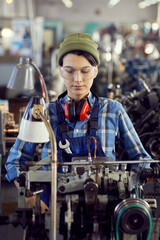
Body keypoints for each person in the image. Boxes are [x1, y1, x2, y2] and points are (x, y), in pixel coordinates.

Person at [5, 33, 151, 209]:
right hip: (52, 213)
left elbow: (141, 158)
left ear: (95, 71)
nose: (77, 79)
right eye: (70, 70)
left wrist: (132, 183)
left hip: (105, 210)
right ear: (60, 71)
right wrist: (26, 193)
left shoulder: (113, 111)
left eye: (85, 70)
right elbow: (15, 160)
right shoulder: (44, 113)